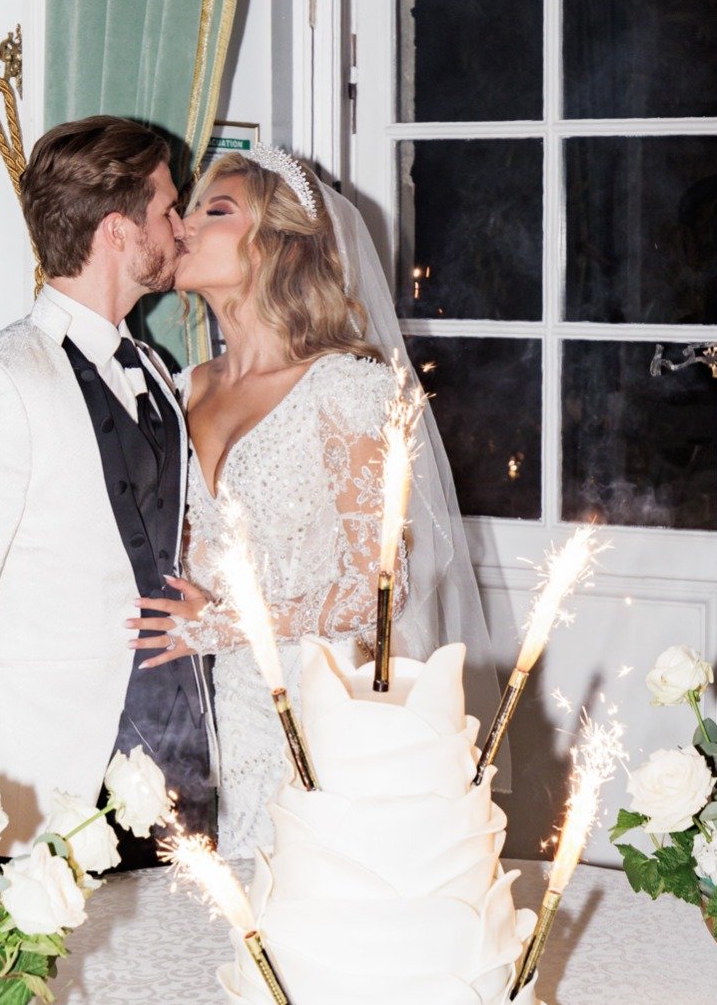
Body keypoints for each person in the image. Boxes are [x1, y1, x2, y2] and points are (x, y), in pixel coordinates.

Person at [131, 146, 499, 857]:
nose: (185, 225)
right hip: (220, 707)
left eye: (217, 210)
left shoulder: (344, 389)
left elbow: (375, 591)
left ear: (277, 242)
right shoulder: (182, 389)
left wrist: (222, 624)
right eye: (188, 208)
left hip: (325, 697)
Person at [0, 115, 215, 857]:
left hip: (173, 759)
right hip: (46, 776)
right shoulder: (3, 381)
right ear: (117, 231)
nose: (179, 227)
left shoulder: (155, 371)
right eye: (167, 209)